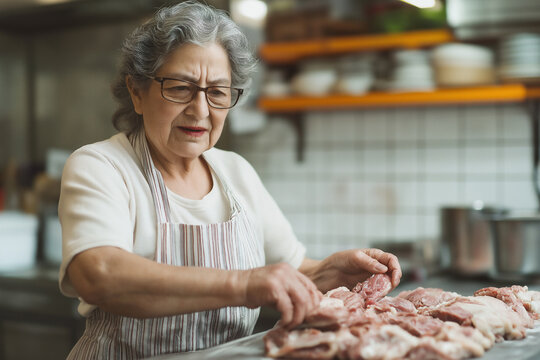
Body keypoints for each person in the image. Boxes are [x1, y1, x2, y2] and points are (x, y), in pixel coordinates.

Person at [58, 1, 402, 358]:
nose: (200, 110)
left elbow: (295, 272)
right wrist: (245, 284)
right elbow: (98, 274)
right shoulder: (102, 166)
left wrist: (332, 269)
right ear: (136, 92)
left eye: (218, 92)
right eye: (179, 87)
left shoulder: (235, 172)